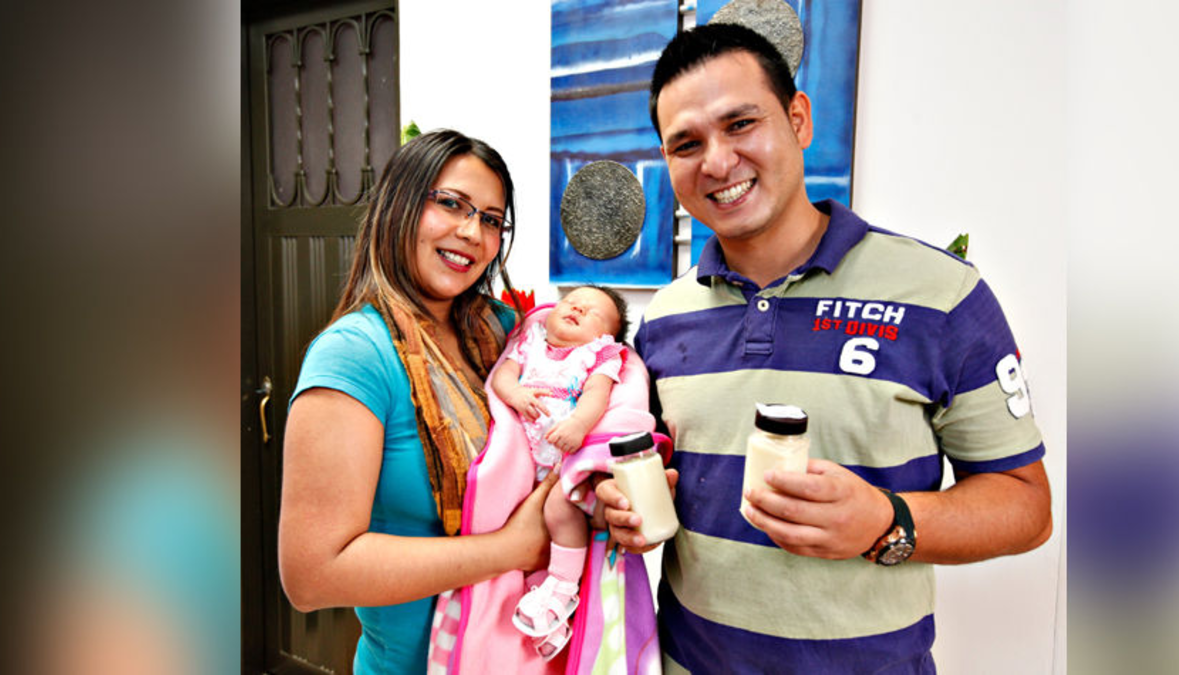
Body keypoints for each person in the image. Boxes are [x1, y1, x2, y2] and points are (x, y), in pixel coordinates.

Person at [596, 24, 1053, 673]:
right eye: (687, 144)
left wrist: (886, 521)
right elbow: (663, 481)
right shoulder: (665, 320)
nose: (717, 162)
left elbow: (1026, 505)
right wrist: (623, 506)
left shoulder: (942, 295)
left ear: (798, 119)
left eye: (740, 124)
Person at [278, 129, 556, 674]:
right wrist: (511, 549)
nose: (472, 232)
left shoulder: (505, 334)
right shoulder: (356, 354)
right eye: (450, 203)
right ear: (398, 206)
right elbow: (312, 576)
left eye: (492, 219)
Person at [493, 285, 629, 659]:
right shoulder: (529, 342)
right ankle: (544, 616)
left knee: (559, 511)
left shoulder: (598, 355)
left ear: (607, 335)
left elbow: (596, 396)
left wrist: (579, 426)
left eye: (592, 312)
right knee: (513, 524)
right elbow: (503, 376)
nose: (577, 309)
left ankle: (564, 587)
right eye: (571, 302)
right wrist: (515, 395)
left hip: (563, 456)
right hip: (520, 453)